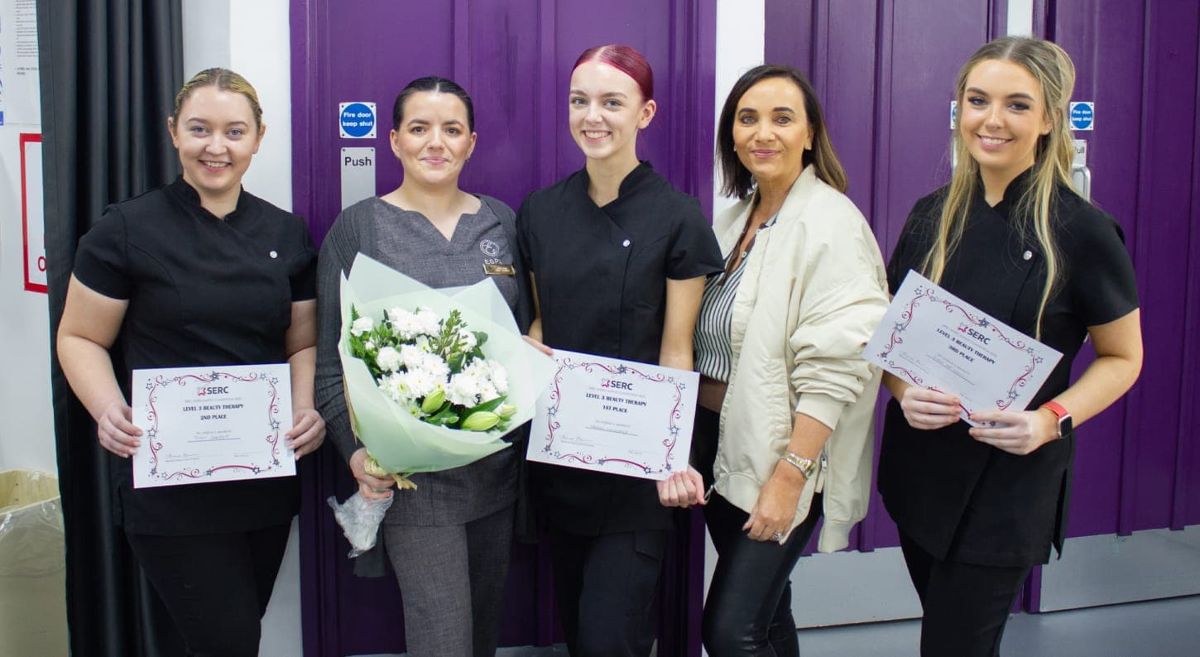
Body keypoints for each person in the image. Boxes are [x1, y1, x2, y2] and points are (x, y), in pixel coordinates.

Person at [878, 36, 1143, 656]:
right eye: (978, 101)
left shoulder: (1082, 232)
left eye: (1017, 105)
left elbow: (1124, 358)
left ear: (1050, 118)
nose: (992, 120)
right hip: (922, 475)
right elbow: (893, 344)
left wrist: (1051, 420)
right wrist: (902, 390)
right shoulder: (931, 215)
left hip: (1010, 485)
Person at [56, 68, 325, 657]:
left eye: (234, 131)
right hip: (169, 480)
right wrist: (107, 409)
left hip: (261, 474)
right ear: (174, 131)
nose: (216, 146)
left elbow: (301, 343)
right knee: (226, 640)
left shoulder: (284, 232)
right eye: (200, 129)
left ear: (258, 138)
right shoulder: (126, 230)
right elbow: (78, 336)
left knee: (237, 628)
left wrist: (305, 408)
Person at [669, 64, 889, 656]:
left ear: (810, 134)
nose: (762, 133)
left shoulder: (831, 226)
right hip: (719, 442)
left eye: (781, 118)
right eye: (747, 118)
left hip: (781, 455)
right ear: (732, 136)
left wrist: (791, 476)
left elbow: (839, 366)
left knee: (730, 631)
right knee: (766, 617)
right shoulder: (735, 219)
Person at [314, 76, 534, 657]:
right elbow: (330, 362)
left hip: (496, 476)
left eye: (451, 130)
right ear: (393, 141)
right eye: (419, 128)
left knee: (483, 634)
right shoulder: (359, 229)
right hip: (412, 483)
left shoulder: (503, 224)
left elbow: (529, 344)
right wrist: (357, 454)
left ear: (470, 143)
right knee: (444, 638)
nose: (435, 143)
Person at [516, 44, 723, 656]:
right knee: (580, 634)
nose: (593, 116)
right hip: (562, 456)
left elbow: (678, 351)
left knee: (613, 638)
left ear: (646, 113)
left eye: (612, 102)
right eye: (580, 101)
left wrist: (672, 455)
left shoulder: (678, 217)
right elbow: (539, 327)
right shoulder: (541, 212)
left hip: (637, 472)